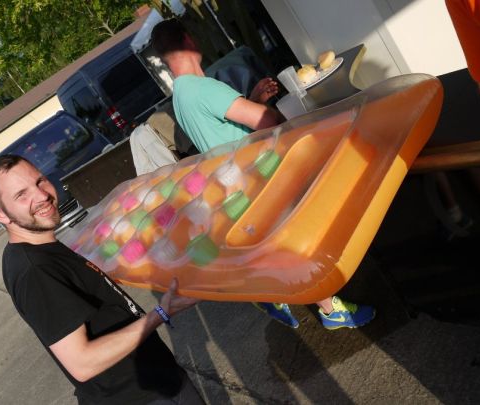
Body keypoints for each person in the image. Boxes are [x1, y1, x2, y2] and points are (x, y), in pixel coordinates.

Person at [151, 18, 376, 330]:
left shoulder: (180, 96)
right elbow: (267, 122)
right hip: (257, 175)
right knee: (296, 241)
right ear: (189, 41)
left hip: (234, 182)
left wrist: (251, 101)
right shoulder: (203, 88)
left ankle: (268, 294)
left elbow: (221, 129)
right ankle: (331, 310)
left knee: (273, 242)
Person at [0, 154, 203, 404]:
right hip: (136, 396)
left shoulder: (39, 248)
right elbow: (82, 363)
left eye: (40, 181)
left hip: (156, 377)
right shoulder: (35, 271)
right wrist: (161, 313)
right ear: (0, 214)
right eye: (21, 195)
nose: (41, 196)